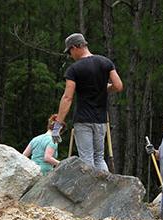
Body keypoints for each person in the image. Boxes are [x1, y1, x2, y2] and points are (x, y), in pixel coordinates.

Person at [51, 33, 123, 171]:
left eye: (70, 52)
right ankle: (106, 190)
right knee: (99, 157)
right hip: (101, 119)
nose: (71, 55)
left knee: (86, 159)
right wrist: (105, 87)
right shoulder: (105, 62)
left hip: (83, 120)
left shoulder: (74, 69)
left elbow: (67, 97)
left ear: (75, 47)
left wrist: (57, 125)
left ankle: (91, 192)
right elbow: (118, 86)